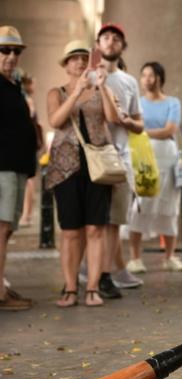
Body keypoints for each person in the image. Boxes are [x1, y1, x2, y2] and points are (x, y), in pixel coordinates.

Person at [46, 40, 121, 307]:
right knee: (70, 232)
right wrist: (77, 92)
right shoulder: (57, 92)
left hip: (98, 167)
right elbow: (55, 121)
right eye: (73, 59)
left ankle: (92, 288)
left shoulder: (101, 90)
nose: (79, 62)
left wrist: (102, 86)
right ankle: (69, 288)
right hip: (64, 169)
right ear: (66, 65)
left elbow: (113, 119)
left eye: (83, 58)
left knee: (96, 229)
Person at [96, 22, 144, 297]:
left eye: (116, 38)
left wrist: (125, 120)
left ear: (123, 46)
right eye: (106, 37)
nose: (111, 41)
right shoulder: (90, 76)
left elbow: (139, 124)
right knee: (94, 221)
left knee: (114, 221)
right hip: (94, 159)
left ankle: (106, 275)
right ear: (98, 43)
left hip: (120, 159)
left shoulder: (129, 82)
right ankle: (93, 272)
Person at [126, 62, 182, 273]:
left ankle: (169, 256)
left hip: (167, 156)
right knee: (141, 204)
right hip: (143, 155)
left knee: (169, 207)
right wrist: (143, 132)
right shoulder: (138, 104)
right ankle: (135, 258)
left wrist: (141, 131)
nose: (146, 79)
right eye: (143, 75)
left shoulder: (173, 102)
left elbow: (170, 129)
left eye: (150, 75)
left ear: (159, 78)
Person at [0, 25, 36, 310]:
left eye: (16, 51)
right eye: (4, 50)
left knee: (6, 230)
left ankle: (2, 285)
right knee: (1, 230)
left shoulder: (13, 85)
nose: (11, 56)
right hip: (3, 168)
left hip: (17, 167)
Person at [19, 71, 44, 227]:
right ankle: (26, 214)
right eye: (32, 83)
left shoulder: (27, 100)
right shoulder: (26, 100)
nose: (35, 86)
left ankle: (26, 215)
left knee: (29, 181)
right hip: (27, 145)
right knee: (29, 181)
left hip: (28, 145)